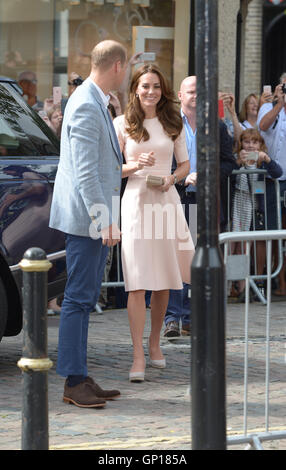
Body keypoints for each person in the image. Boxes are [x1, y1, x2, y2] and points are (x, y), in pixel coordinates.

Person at [49, 39, 127, 408]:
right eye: (125, 68)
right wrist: (104, 220)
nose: (125, 74)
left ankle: (78, 375)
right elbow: (85, 172)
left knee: (84, 297)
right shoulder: (85, 103)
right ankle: (72, 381)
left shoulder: (92, 100)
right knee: (78, 299)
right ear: (117, 66)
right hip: (86, 220)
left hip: (92, 219)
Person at [113, 64, 195, 382]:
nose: (151, 91)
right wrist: (135, 164)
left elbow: (185, 164)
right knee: (137, 282)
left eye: (157, 86)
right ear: (135, 88)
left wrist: (172, 177)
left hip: (165, 203)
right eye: (145, 86)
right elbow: (111, 168)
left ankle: (155, 342)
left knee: (163, 280)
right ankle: (137, 354)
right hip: (134, 204)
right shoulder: (122, 123)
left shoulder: (172, 122)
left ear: (164, 90)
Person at [231, 128, 282, 299]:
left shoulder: (262, 161)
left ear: (260, 145)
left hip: (257, 207)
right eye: (247, 142)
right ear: (241, 144)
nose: (251, 145)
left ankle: (253, 284)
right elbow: (228, 174)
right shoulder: (236, 159)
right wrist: (238, 162)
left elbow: (278, 173)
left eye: (254, 142)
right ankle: (238, 284)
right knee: (236, 244)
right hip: (239, 204)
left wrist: (266, 158)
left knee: (251, 246)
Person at [257, 72, 286, 295]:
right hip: (273, 179)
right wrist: (279, 103)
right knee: (272, 229)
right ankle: (271, 281)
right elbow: (264, 127)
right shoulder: (268, 108)